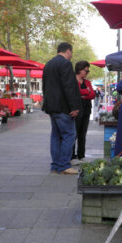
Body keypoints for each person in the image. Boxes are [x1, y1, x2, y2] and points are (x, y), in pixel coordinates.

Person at [42, 42, 81, 174]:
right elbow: (69, 87)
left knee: (56, 136)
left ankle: (55, 165)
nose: (71, 56)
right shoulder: (65, 64)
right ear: (68, 51)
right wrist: (74, 107)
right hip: (63, 107)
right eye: (71, 53)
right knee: (69, 134)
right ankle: (64, 165)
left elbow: (45, 87)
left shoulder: (48, 64)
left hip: (52, 106)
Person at [70, 61, 96, 165]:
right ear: (80, 69)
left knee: (82, 134)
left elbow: (93, 94)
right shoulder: (72, 80)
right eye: (86, 70)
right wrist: (86, 92)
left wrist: (83, 94)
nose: (87, 72)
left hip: (86, 109)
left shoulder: (87, 82)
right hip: (76, 108)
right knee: (74, 133)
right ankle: (72, 156)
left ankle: (81, 155)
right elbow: (74, 93)